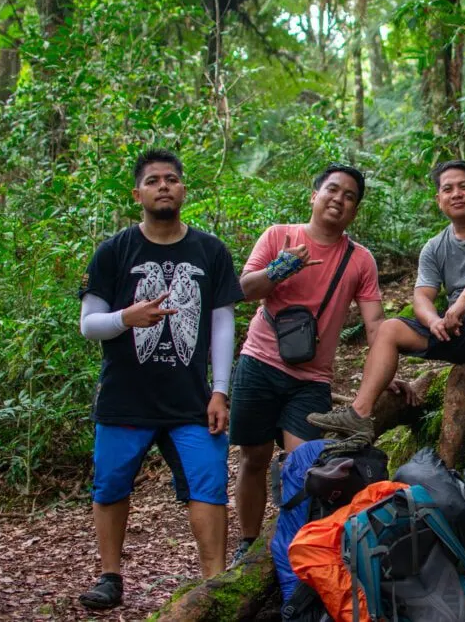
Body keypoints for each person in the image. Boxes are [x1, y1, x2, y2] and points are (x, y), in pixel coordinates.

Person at [77, 149, 244, 609]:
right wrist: (127, 318)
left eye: (172, 179)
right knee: (111, 484)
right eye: (153, 181)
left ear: (183, 189)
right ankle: (110, 576)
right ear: (138, 194)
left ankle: (214, 584)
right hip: (125, 397)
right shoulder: (115, 251)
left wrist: (220, 391)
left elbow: (223, 323)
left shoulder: (210, 250)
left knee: (208, 483)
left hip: (191, 399)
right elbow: (89, 325)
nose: (164, 186)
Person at [230, 163, 409, 564]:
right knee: (253, 458)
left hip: (310, 379)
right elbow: (242, 290)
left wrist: (386, 373)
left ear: (355, 211)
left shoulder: (359, 260)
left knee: (304, 465)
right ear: (314, 195)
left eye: (349, 197)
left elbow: (376, 324)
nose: (339, 199)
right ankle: (246, 542)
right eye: (332, 190)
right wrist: (282, 267)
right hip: (259, 363)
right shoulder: (280, 236)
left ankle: (291, 545)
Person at [306, 159, 465, 442]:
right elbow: (421, 296)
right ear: (439, 199)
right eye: (448, 189)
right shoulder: (434, 247)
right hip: (464, 331)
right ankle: (359, 413)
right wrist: (433, 321)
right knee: (388, 328)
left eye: (464, 187)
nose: (456, 194)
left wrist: (464, 299)